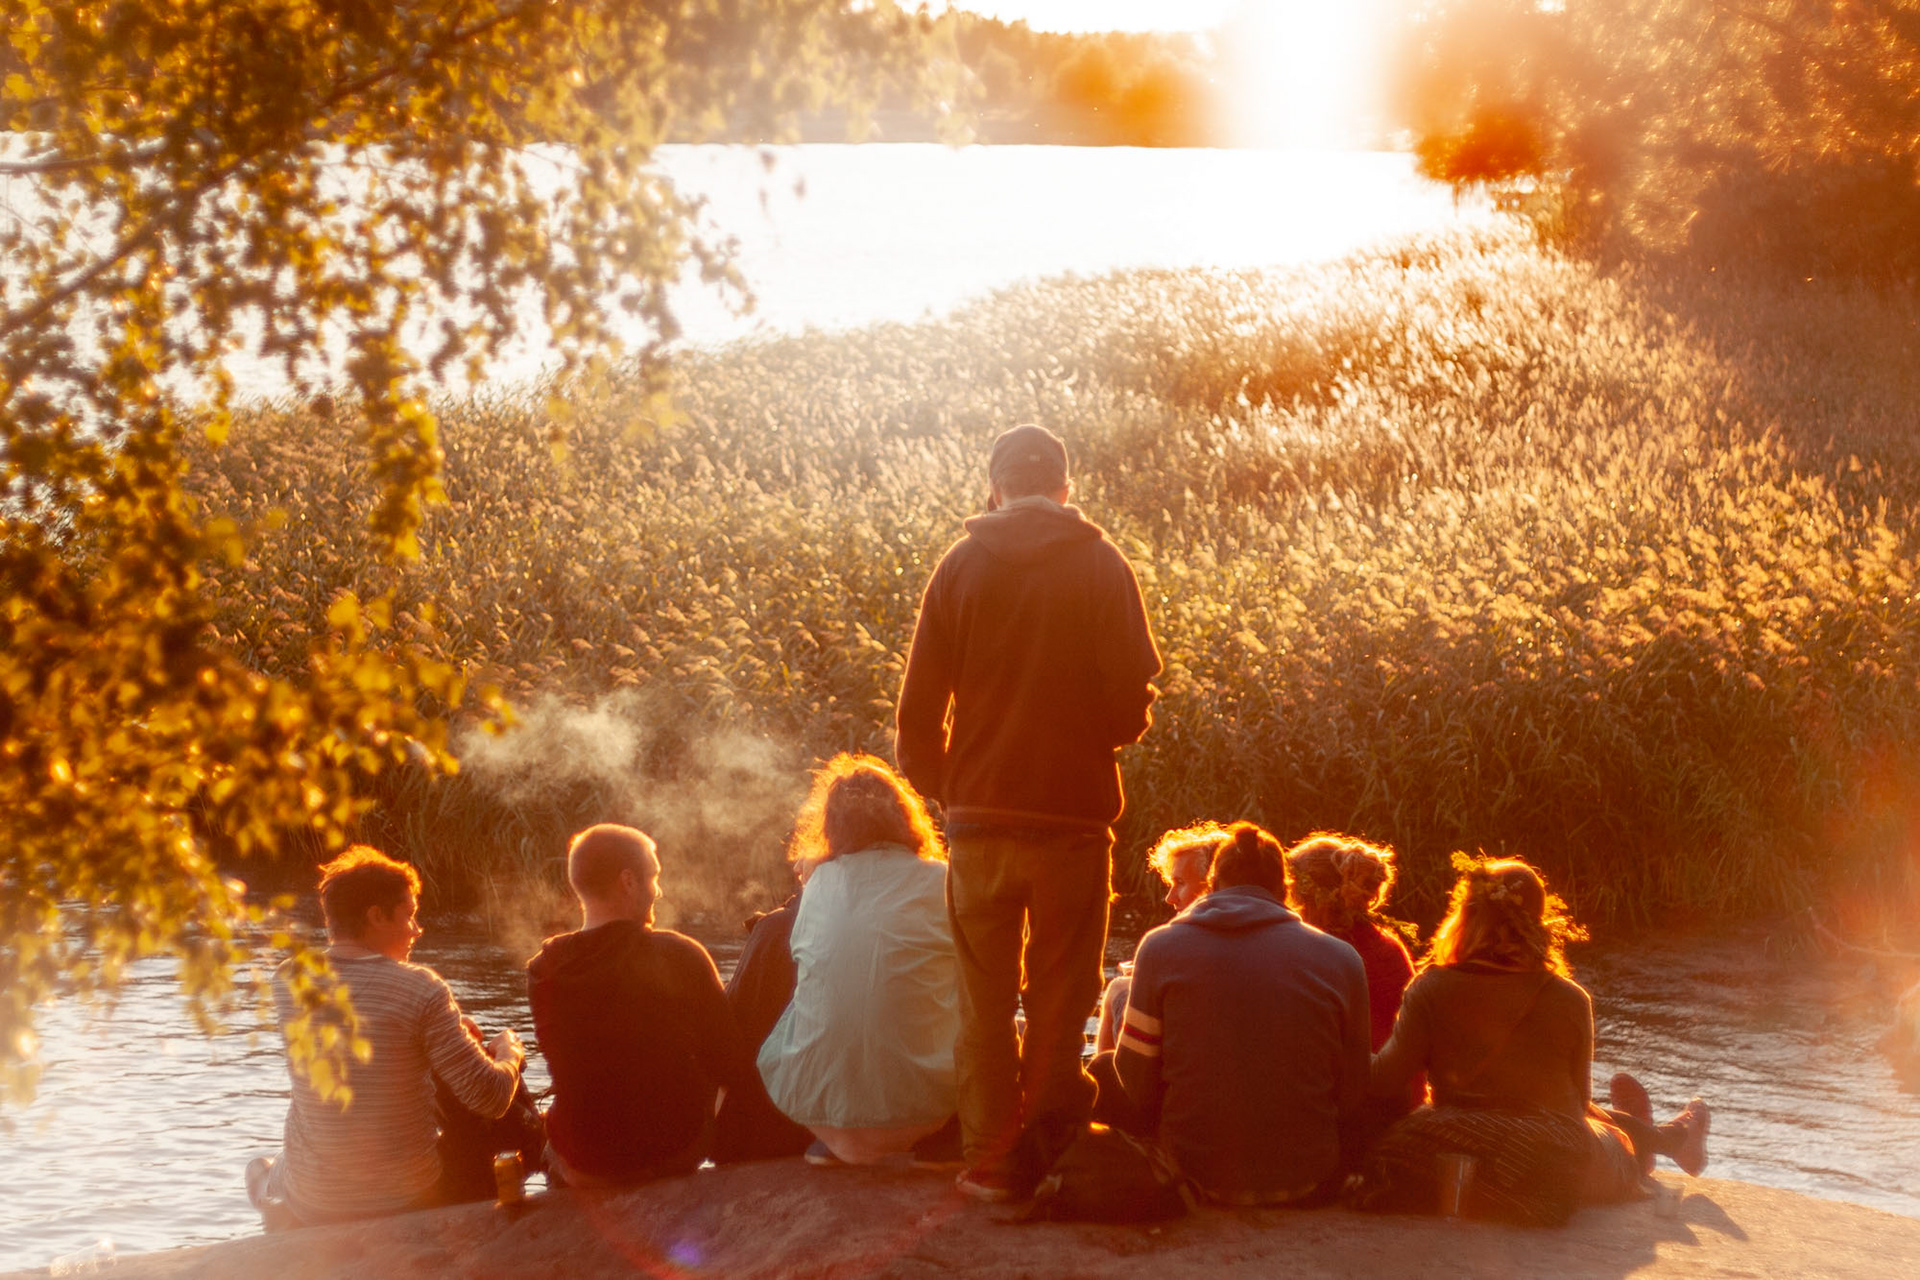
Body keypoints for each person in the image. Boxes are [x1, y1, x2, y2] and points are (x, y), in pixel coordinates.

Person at [896, 422, 1161, 1200]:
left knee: (981, 1005)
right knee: (1062, 998)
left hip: (978, 826)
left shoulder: (959, 566)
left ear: (996, 487)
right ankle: (1050, 1157)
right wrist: (1101, 739)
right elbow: (1131, 698)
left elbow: (915, 717)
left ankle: (989, 1164)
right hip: (1074, 825)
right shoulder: (1103, 565)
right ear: (1063, 488)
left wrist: (955, 790)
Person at [1364, 857, 1710, 1224]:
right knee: (1597, 1138)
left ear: (1467, 916)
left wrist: (1340, 1033)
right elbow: (1577, 1104)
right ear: (1538, 924)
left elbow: (1384, 1079)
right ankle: (1652, 1143)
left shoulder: (1430, 987)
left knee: (1564, 1122)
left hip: (1456, 1147)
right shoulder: (1570, 998)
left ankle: (1660, 1136)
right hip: (1542, 1158)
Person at [248, 846, 526, 1227]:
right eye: (409, 915)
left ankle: (269, 1190)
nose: (417, 929)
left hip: (315, 1199)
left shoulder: (288, 980)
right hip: (406, 1196)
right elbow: (490, 1098)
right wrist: (510, 1053)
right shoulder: (422, 988)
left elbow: (368, 1018)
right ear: (376, 916)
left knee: (262, 1166)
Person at [1114, 822, 1371, 1205]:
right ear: (1285, 891)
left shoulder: (1159, 946)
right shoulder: (1342, 958)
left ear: (1213, 885)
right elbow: (1354, 1093)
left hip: (1190, 1175)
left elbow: (1135, 1084)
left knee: (1105, 1066)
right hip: (1307, 1178)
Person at [528, 824, 770, 1187]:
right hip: (672, 1154)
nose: (659, 889)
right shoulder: (679, 956)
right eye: (654, 877)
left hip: (583, 1165)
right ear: (628, 881)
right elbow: (733, 1068)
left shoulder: (542, 968)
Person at [757, 754, 962, 1165]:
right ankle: (949, 1140)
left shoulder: (818, 886)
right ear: (906, 818)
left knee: (811, 990)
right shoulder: (942, 879)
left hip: (821, 1116)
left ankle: (839, 1143)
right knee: (978, 993)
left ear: (830, 829)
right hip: (925, 1112)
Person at [1093, 822, 1227, 1054]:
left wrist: (1148, 978)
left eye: (1180, 883)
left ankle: (1106, 1081)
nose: (1169, 898)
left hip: (1195, 1059)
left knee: (1117, 988)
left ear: (1213, 885)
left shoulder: (1175, 939)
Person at [712, 879, 813, 1162]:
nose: (795, 868)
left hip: (770, 1134)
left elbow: (727, 1032)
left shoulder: (777, 927)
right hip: (867, 1123)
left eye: (804, 857)